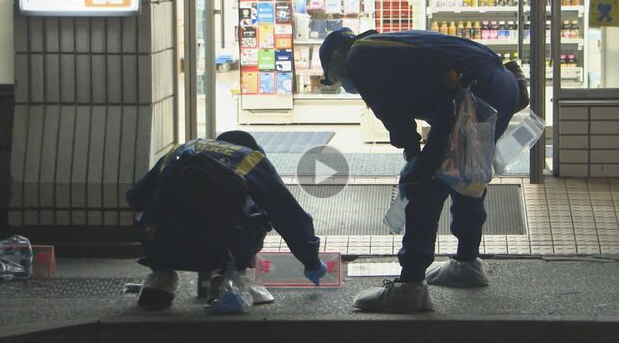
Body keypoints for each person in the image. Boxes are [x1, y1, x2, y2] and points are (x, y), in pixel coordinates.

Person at [320, 28, 528, 313]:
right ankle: (467, 264)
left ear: (336, 58)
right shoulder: (391, 45)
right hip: (500, 87)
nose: (343, 82)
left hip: (471, 92)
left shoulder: (359, 56)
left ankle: (410, 287)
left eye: (334, 77)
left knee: (423, 184)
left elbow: (392, 113)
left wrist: (414, 156)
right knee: (465, 174)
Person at [126, 131, 327, 310]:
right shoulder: (251, 160)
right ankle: (227, 279)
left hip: (162, 242)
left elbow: (135, 197)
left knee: (153, 212)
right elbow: (289, 215)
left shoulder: (183, 150)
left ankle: (161, 280)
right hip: (221, 246)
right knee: (259, 211)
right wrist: (311, 261)